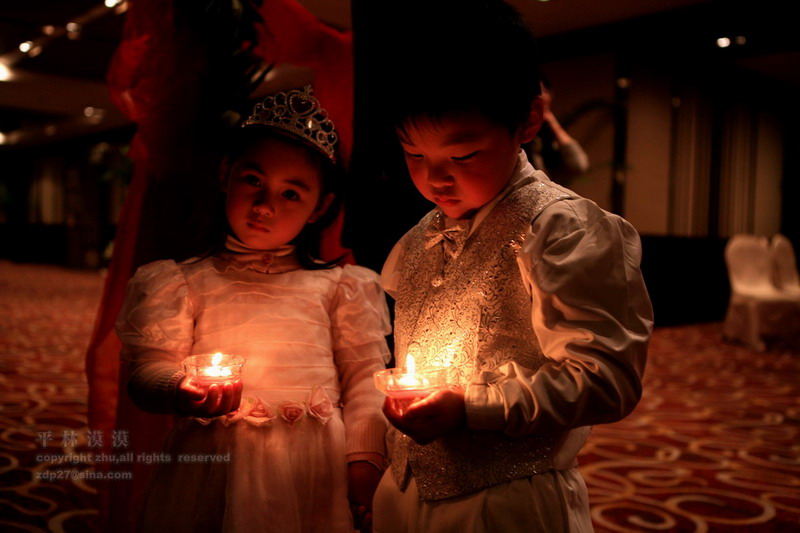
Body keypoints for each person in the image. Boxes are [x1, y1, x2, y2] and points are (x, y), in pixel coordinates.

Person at [370, 1, 653, 532]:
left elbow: (608, 380)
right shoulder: (420, 237)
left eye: (464, 155)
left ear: (527, 121)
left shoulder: (560, 229)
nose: (435, 180)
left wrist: (473, 406)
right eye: (413, 155)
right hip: (405, 491)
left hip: (506, 502)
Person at [115, 85, 390, 533]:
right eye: (253, 181)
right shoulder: (180, 281)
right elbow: (145, 373)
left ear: (320, 207)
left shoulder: (342, 287)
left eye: (291, 194)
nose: (264, 205)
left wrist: (364, 460)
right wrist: (177, 386)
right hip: (214, 466)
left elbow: (364, 381)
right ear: (227, 173)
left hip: (313, 470)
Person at [524, 75, 590, 185]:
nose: (539, 97)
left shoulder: (549, 133)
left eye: (543, 91)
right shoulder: (515, 133)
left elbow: (579, 165)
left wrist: (551, 120)